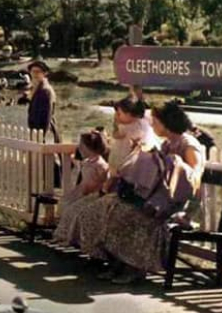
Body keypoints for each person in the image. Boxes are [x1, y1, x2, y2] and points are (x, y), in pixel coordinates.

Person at [77, 102, 204, 284]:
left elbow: (194, 176)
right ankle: (117, 261)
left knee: (130, 214)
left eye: (155, 121)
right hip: (160, 198)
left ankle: (135, 267)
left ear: (166, 122)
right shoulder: (168, 143)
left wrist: (173, 163)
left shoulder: (188, 144)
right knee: (111, 206)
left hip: (178, 203)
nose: (152, 125)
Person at [53, 129, 110, 247]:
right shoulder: (88, 162)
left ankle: (70, 238)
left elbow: (96, 183)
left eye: (82, 146)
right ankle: (62, 235)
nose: (80, 148)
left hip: (94, 194)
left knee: (73, 209)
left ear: (89, 147)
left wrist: (82, 194)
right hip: (84, 190)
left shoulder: (99, 165)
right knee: (65, 203)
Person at [26, 60, 58, 141]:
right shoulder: (36, 87)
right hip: (36, 130)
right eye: (33, 71)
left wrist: (42, 135)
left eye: (38, 72)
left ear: (44, 73)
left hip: (45, 130)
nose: (35, 74)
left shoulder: (45, 90)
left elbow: (47, 114)